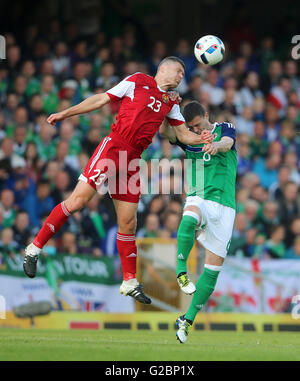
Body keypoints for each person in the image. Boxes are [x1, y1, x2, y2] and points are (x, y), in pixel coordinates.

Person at [23, 57, 212, 305]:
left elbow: (182, 134)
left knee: (129, 222)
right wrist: (65, 113)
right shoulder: (137, 81)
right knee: (78, 201)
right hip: (114, 147)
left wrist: (202, 138)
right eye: (178, 71)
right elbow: (101, 98)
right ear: (163, 69)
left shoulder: (171, 103)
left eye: (182, 74)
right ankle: (34, 248)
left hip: (133, 161)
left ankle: (129, 281)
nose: (180, 77)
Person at [160, 101, 237, 343]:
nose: (194, 131)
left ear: (206, 115)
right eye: (190, 127)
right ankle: (181, 270)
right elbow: (165, 132)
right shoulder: (187, 137)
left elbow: (229, 143)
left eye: (197, 125)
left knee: (212, 271)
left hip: (225, 206)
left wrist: (215, 145)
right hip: (200, 195)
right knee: (190, 215)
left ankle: (187, 320)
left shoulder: (224, 127)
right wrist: (166, 107)